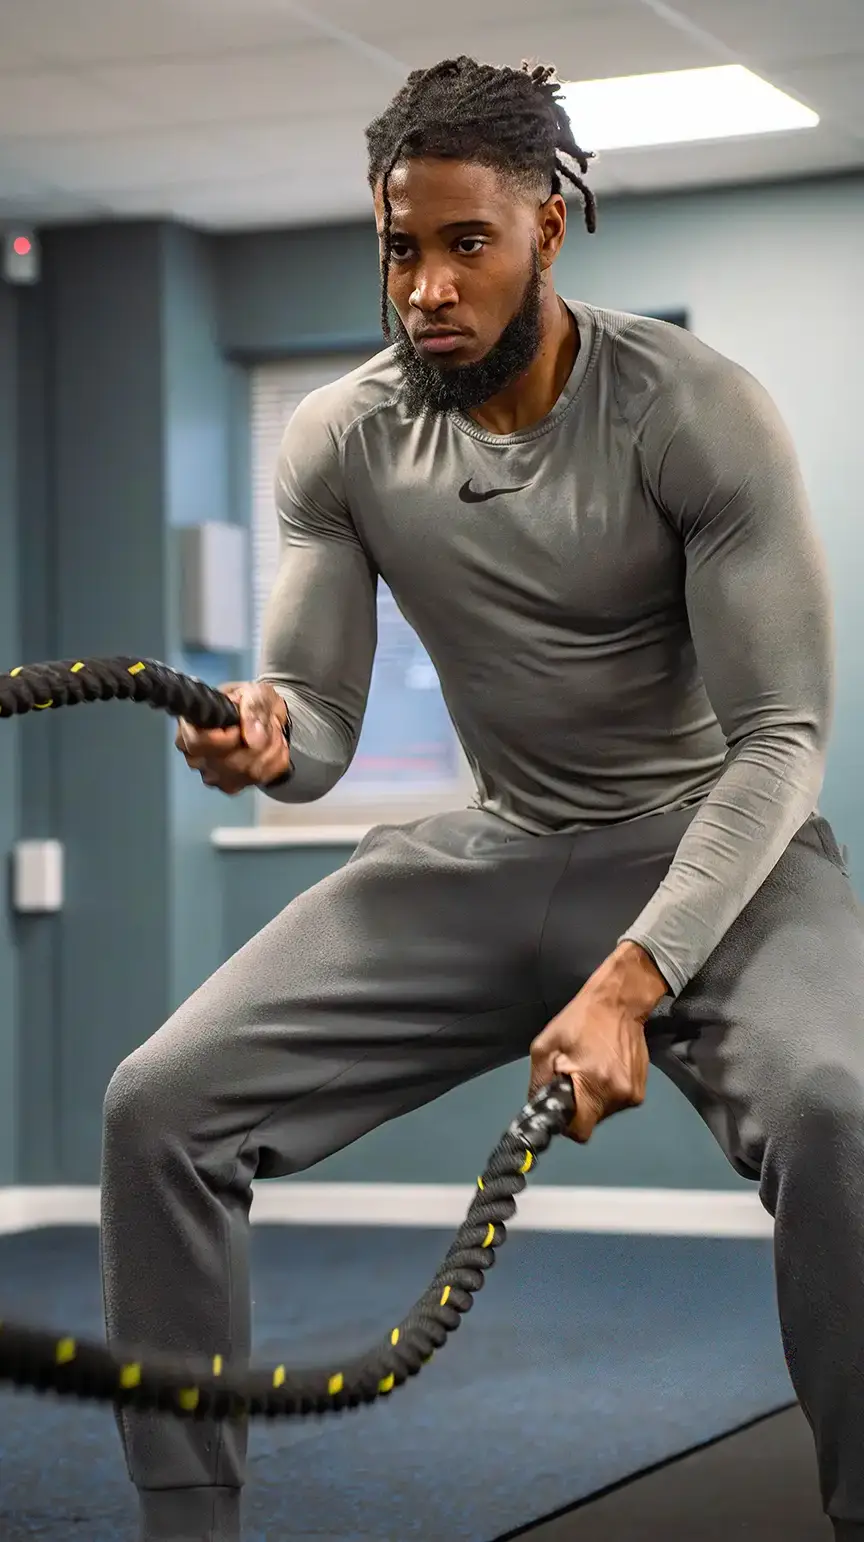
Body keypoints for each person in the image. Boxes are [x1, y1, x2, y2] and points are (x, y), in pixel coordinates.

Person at [100, 55, 864, 1542]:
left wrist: (633, 979)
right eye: (402, 248)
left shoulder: (692, 410)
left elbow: (780, 742)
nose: (428, 288)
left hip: (713, 851)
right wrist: (265, 744)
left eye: (468, 244)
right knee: (158, 1108)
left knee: (841, 1107)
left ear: (547, 230)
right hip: (499, 850)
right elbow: (319, 721)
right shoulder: (343, 435)